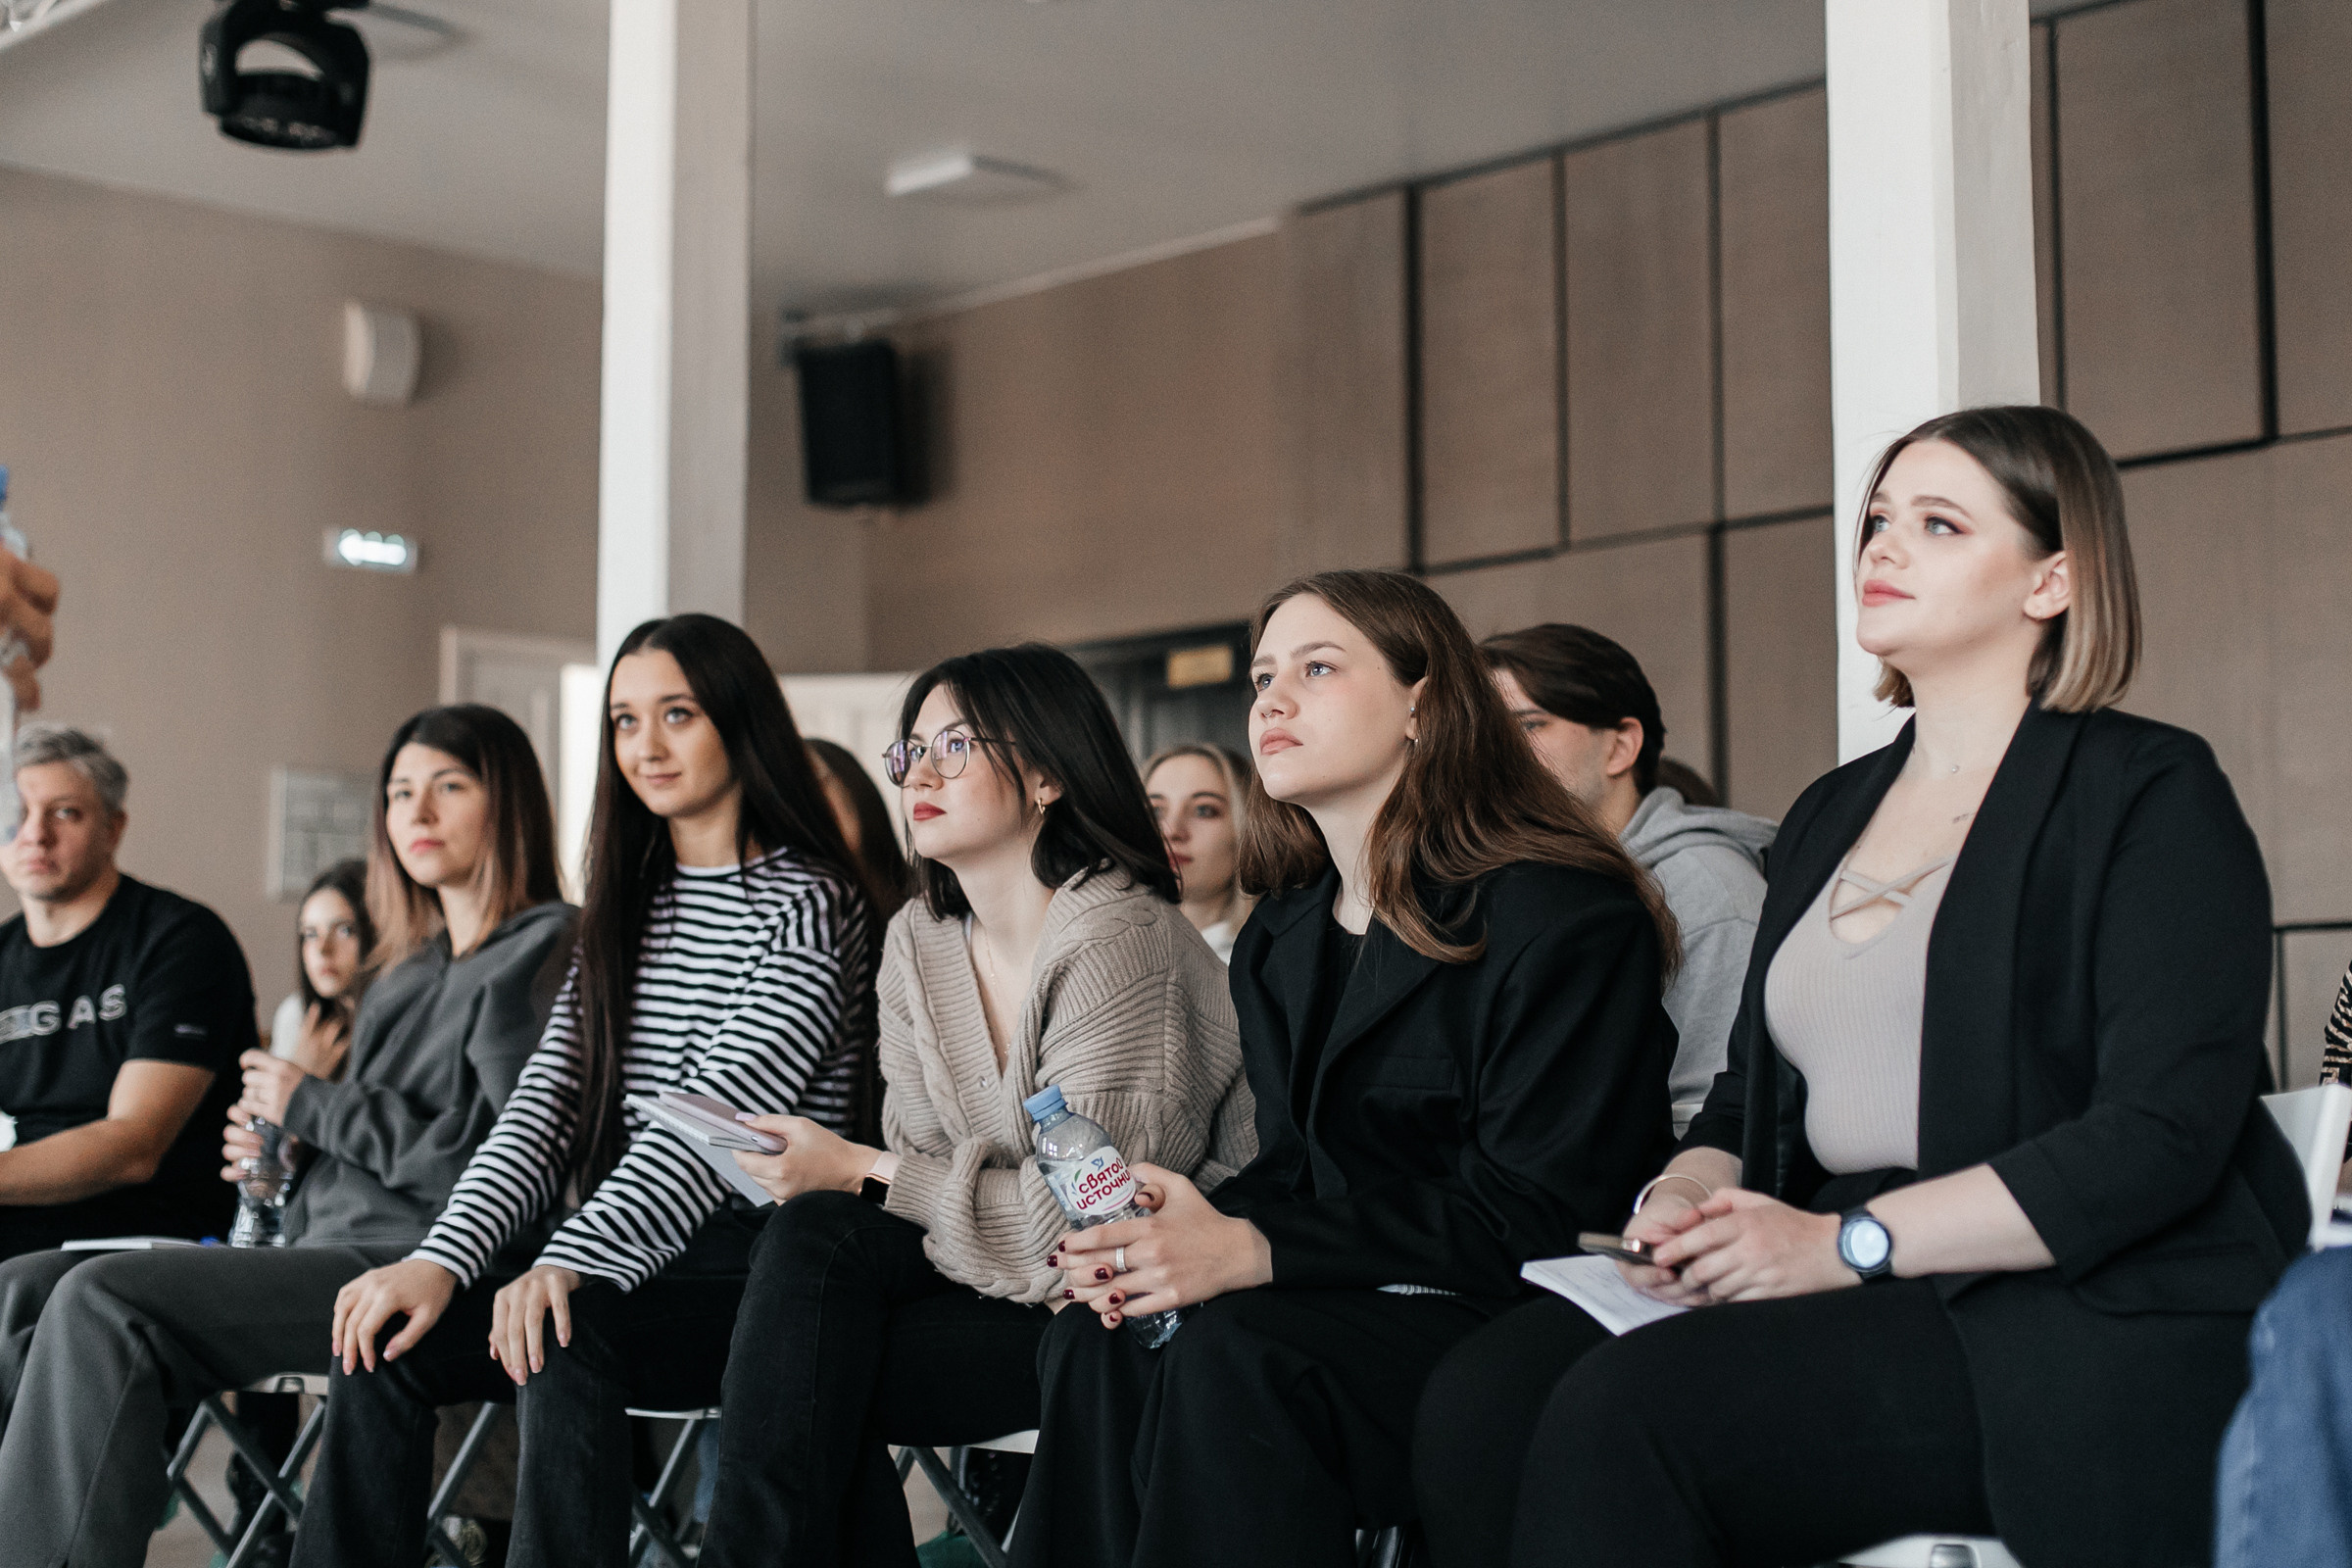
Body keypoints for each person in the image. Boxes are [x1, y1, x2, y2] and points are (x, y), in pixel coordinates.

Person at [1417, 406, 2306, 1568]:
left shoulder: (2148, 789)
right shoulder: (1834, 808)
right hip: (1857, 1272)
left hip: (2068, 1306)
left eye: (1937, 523)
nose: (1880, 545)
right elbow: (1748, 1101)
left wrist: (1849, 1245)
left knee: (1627, 1414)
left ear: (2054, 578)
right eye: (1879, 518)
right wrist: (1680, 1200)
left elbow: (2160, 1135)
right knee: (1478, 1399)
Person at [1012, 569, 1680, 1568]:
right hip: (1351, 1293)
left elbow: (1545, 1209)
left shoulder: (1561, 914)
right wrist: (1172, 1237)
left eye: (1316, 668)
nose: (1271, 700)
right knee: (1102, 1334)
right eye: (1262, 675)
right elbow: (1298, 1168)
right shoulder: (1285, 931)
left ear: (1423, 700)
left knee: (1237, 1355)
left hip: (1507, 1313)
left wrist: (1253, 1250)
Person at [288, 613, 877, 1568]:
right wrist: (440, 1262)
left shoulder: (811, 902)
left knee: (563, 1320)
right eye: (624, 720)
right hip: (626, 1254)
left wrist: (571, 1258)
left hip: (752, 1266)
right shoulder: (622, 911)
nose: (645, 745)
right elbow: (541, 1113)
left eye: (676, 714)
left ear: (738, 719)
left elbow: (710, 1127)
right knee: (384, 1338)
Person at [693, 644, 1251, 1567]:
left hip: (1129, 1316)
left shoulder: (1123, 938)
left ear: (1044, 773)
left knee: (822, 1347)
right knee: (812, 1247)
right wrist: (886, 1182)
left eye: (956, 744)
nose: (921, 770)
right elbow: (922, 1169)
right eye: (911, 750)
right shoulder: (918, 941)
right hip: (1001, 1283)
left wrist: (859, 1168)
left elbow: (1072, 1221)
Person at [0, 704, 573, 1568]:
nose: (414, 813)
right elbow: (356, 1146)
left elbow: (509, 1166)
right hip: (321, 1246)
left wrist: (315, 1107)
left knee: (102, 1299)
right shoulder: (405, 971)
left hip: (428, 1266)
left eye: (448, 788)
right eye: (400, 791)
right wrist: (286, 1153)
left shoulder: (548, 950)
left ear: (511, 804)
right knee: (25, 1286)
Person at [1483, 624, 1773, 1131]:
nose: (1494, 753)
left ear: (1620, 747)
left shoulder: (1709, 892)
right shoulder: (1518, 886)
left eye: (1528, 726)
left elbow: (1716, 1119)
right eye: (1484, 734)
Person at [0, 723, 255, 1258]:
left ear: (114, 828)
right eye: (17, 813)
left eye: (64, 812)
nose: (35, 834)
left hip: (151, 1231)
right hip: (21, 1215)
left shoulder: (181, 939)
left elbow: (133, 1147)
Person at [1144, 743, 1255, 962]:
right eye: (1155, 811)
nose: (1171, 831)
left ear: (1248, 829)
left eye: (1203, 810)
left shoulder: (1266, 965)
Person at [268, 858, 375, 1079]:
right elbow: (265, 1113)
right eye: (311, 934)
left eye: (344, 930)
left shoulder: (404, 1020)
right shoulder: (295, 1015)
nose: (322, 949)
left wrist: (305, 1084)